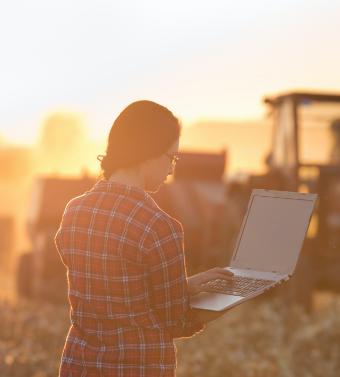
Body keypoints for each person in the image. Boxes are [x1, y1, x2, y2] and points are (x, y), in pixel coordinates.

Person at [55, 100, 234, 376]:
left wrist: (181, 287)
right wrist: (231, 298)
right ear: (148, 153)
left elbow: (112, 291)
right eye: (171, 158)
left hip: (80, 366)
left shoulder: (74, 211)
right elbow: (178, 324)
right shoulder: (160, 227)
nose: (172, 169)